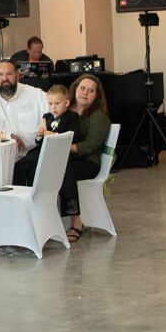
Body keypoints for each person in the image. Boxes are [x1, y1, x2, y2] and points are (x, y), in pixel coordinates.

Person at [59, 73, 115, 242]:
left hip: (89, 162)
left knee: (63, 170)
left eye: (90, 91)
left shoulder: (99, 117)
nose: (85, 92)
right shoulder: (65, 110)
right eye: (82, 88)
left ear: (96, 96)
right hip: (67, 157)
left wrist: (61, 146)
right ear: (75, 89)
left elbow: (89, 146)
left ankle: (77, 221)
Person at [0, 59, 50, 181]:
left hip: (33, 156)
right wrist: (6, 136)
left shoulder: (36, 95)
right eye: (0, 74)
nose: (5, 78)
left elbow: (54, 113)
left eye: (9, 74)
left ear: (18, 75)